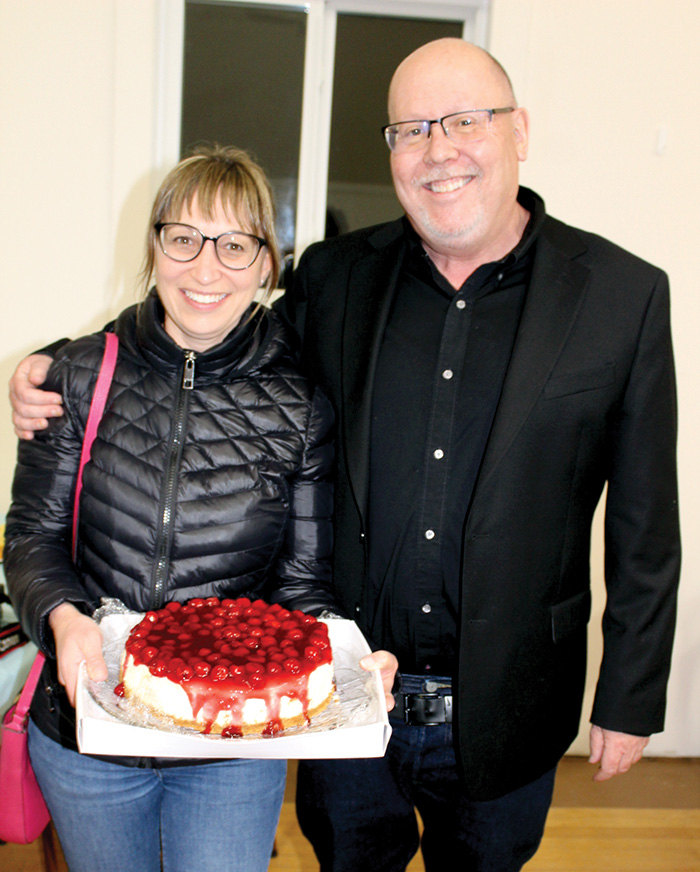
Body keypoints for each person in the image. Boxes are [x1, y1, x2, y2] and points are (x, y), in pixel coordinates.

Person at [9, 38, 681, 872]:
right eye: (410, 130)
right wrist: (60, 364)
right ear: (392, 151)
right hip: (352, 694)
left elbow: (647, 524)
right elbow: (202, 332)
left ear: (520, 131)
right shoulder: (338, 277)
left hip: (508, 700)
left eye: (465, 121)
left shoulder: (622, 294)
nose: (439, 150)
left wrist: (631, 695)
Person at [4, 144, 396, 872]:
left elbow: (303, 585)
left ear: (266, 264)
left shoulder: (302, 407)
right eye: (183, 238)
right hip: (85, 731)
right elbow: (30, 535)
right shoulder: (79, 373)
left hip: (233, 748)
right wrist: (63, 618)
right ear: (154, 246)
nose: (206, 269)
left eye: (234, 244)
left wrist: (343, 660)